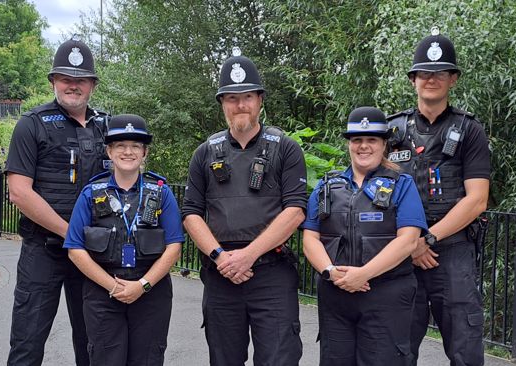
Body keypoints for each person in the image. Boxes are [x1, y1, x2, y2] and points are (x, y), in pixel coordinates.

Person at [181, 48, 307, 366]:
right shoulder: (205, 153)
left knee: (279, 359)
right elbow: (191, 213)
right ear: (222, 103)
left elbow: (295, 210)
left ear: (260, 101)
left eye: (248, 96)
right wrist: (222, 258)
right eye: (232, 98)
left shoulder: (286, 150)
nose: (241, 105)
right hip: (221, 273)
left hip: (272, 275)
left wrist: (248, 255)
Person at [387, 27, 491, 366]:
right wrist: (411, 243)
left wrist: (427, 239)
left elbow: (477, 200)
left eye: (441, 73)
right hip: (401, 251)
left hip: (452, 252)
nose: (432, 79)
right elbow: (375, 192)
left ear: (453, 80)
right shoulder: (391, 131)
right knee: (396, 348)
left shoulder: (470, 130)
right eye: (425, 73)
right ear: (413, 79)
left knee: (465, 348)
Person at [6, 36, 109, 365]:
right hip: (44, 252)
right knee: (27, 343)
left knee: (94, 344)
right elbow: (19, 192)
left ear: (92, 84)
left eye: (80, 80)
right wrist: (72, 233)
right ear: (53, 81)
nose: (73, 86)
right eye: (66, 78)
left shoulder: (107, 127)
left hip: (92, 254)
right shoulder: (31, 125)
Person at [302, 106, 428, 366]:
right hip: (336, 295)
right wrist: (329, 271)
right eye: (357, 140)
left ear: (384, 145)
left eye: (372, 139)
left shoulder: (401, 184)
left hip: (386, 295)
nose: (363, 146)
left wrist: (364, 274)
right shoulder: (327, 187)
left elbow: (408, 240)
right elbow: (310, 238)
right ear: (349, 144)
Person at [64, 114, 184, 365]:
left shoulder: (161, 193)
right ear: (109, 151)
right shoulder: (91, 194)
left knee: (148, 358)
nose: (128, 152)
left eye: (135, 146)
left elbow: (174, 247)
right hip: (102, 293)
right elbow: (75, 249)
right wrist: (112, 286)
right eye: (120, 145)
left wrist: (142, 285)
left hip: (151, 292)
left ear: (144, 152)